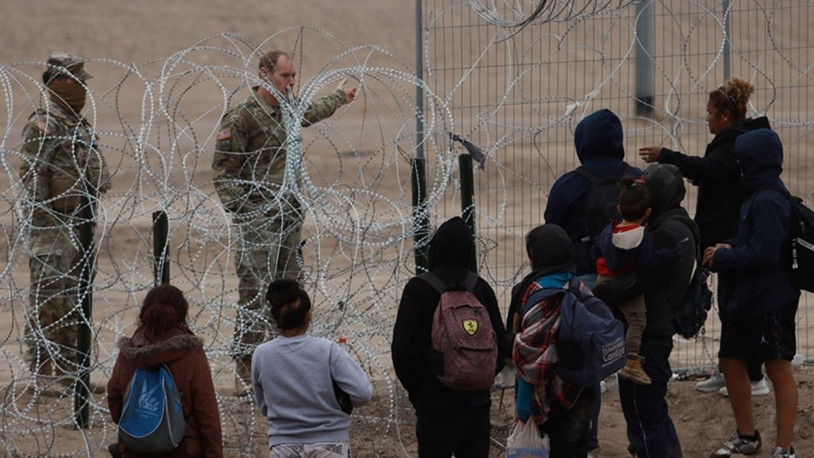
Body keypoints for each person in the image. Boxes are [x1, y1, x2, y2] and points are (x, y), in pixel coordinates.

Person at [212, 49, 357, 391]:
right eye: (284, 76)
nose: (291, 82)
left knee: (290, 290)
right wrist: (246, 214)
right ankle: (246, 366)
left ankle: (287, 361)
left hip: (289, 216)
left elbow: (312, 111)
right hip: (259, 218)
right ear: (265, 74)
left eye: (293, 76)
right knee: (254, 290)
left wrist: (340, 97)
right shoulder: (243, 117)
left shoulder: (288, 107)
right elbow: (223, 172)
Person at [638, 76, 771, 397]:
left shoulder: (735, 141)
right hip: (727, 232)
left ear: (725, 115)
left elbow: (712, 168)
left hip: (732, 236)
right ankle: (732, 371)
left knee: (737, 306)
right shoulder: (736, 138)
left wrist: (668, 157)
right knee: (729, 305)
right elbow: (717, 173)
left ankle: (752, 377)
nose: (706, 117)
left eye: (710, 112)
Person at [544, 108, 640, 456]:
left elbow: (551, 233)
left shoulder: (570, 185)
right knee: (635, 366)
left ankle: (588, 441)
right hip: (634, 285)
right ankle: (642, 440)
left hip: (584, 288)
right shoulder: (638, 180)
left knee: (584, 370)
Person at [703, 129, 799, 458]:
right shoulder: (756, 195)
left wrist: (727, 256)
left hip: (771, 299)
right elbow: (754, 243)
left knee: (777, 368)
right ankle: (747, 436)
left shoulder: (770, 198)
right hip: (748, 297)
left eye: (742, 160)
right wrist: (729, 247)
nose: (738, 166)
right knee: (730, 360)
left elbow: (766, 253)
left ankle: (784, 449)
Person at [19, 51, 110, 385]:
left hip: (78, 227)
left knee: (74, 300)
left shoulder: (77, 124)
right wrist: (48, 229)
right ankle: (43, 371)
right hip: (51, 230)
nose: (82, 91)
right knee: (49, 302)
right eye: (76, 83)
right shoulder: (43, 124)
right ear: (57, 83)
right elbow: (33, 181)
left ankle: (72, 372)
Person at [593, 164, 697, 458]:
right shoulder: (679, 225)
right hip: (659, 329)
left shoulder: (665, 234)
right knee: (654, 414)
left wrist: (599, 288)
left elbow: (630, 283)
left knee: (643, 417)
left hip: (649, 335)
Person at [392, 217, 506, 458]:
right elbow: (501, 345)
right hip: (477, 405)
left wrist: (419, 391)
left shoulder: (418, 289)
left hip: (434, 405)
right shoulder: (480, 288)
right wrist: (476, 373)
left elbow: (402, 349)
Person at [252, 278, 372, 457]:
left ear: (276, 317)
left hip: (283, 444)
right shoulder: (328, 350)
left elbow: (264, 405)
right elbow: (363, 393)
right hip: (330, 443)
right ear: (308, 315)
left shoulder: (262, 354)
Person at [509, 224, 596, 457]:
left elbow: (528, 358)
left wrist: (523, 407)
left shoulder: (534, 292)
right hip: (580, 392)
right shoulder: (580, 287)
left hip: (548, 400)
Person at [107, 285, 223, 457]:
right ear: (182, 314)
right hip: (180, 448)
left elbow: (114, 399)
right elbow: (206, 413)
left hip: (136, 448)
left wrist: (141, 424)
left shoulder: (130, 352)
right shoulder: (190, 353)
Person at [595, 176, 680, 386]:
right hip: (623, 283)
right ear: (648, 212)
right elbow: (647, 261)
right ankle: (631, 361)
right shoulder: (642, 235)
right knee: (637, 320)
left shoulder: (610, 229)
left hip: (602, 278)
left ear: (618, 209)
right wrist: (669, 255)